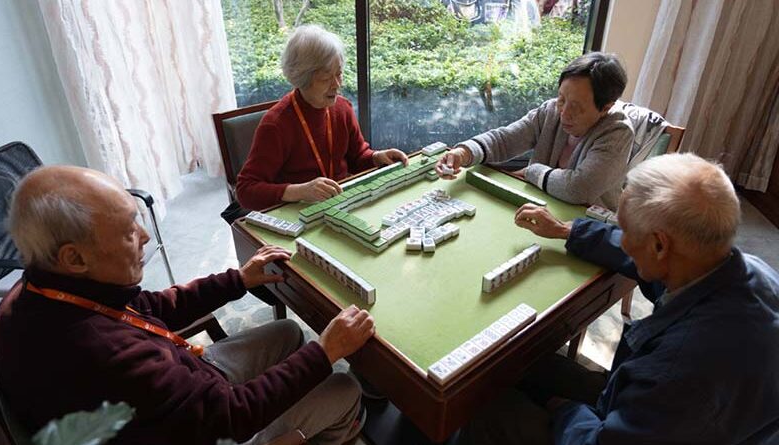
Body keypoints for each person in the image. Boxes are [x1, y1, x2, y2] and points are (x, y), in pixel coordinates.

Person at [0, 165, 376, 445]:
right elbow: (232, 416)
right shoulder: (104, 353)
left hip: (176, 391)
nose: (145, 236)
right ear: (74, 257)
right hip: (205, 426)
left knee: (288, 332)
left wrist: (238, 279)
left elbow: (148, 307)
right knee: (344, 387)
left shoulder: (43, 287)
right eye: (128, 231)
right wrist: (326, 352)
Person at [461, 153, 779, 444]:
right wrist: (567, 231)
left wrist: (563, 409)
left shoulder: (678, 371)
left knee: (483, 408)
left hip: (644, 424)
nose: (623, 242)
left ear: (659, 246)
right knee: (523, 367)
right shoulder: (737, 268)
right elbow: (641, 258)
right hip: (676, 417)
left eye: (625, 229)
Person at [237, 24, 408, 211]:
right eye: (326, 79)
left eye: (339, 74)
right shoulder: (276, 125)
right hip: (299, 212)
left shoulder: (342, 108)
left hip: (342, 203)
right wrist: (300, 191)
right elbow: (246, 190)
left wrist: (377, 157)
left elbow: (358, 156)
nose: (336, 85)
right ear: (302, 78)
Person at [436, 52, 633, 210]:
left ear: (605, 107)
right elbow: (505, 140)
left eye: (576, 107)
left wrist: (531, 172)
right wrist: (463, 153)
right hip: (537, 207)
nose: (564, 113)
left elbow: (578, 189)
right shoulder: (550, 111)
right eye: (562, 99)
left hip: (583, 226)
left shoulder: (618, 132)